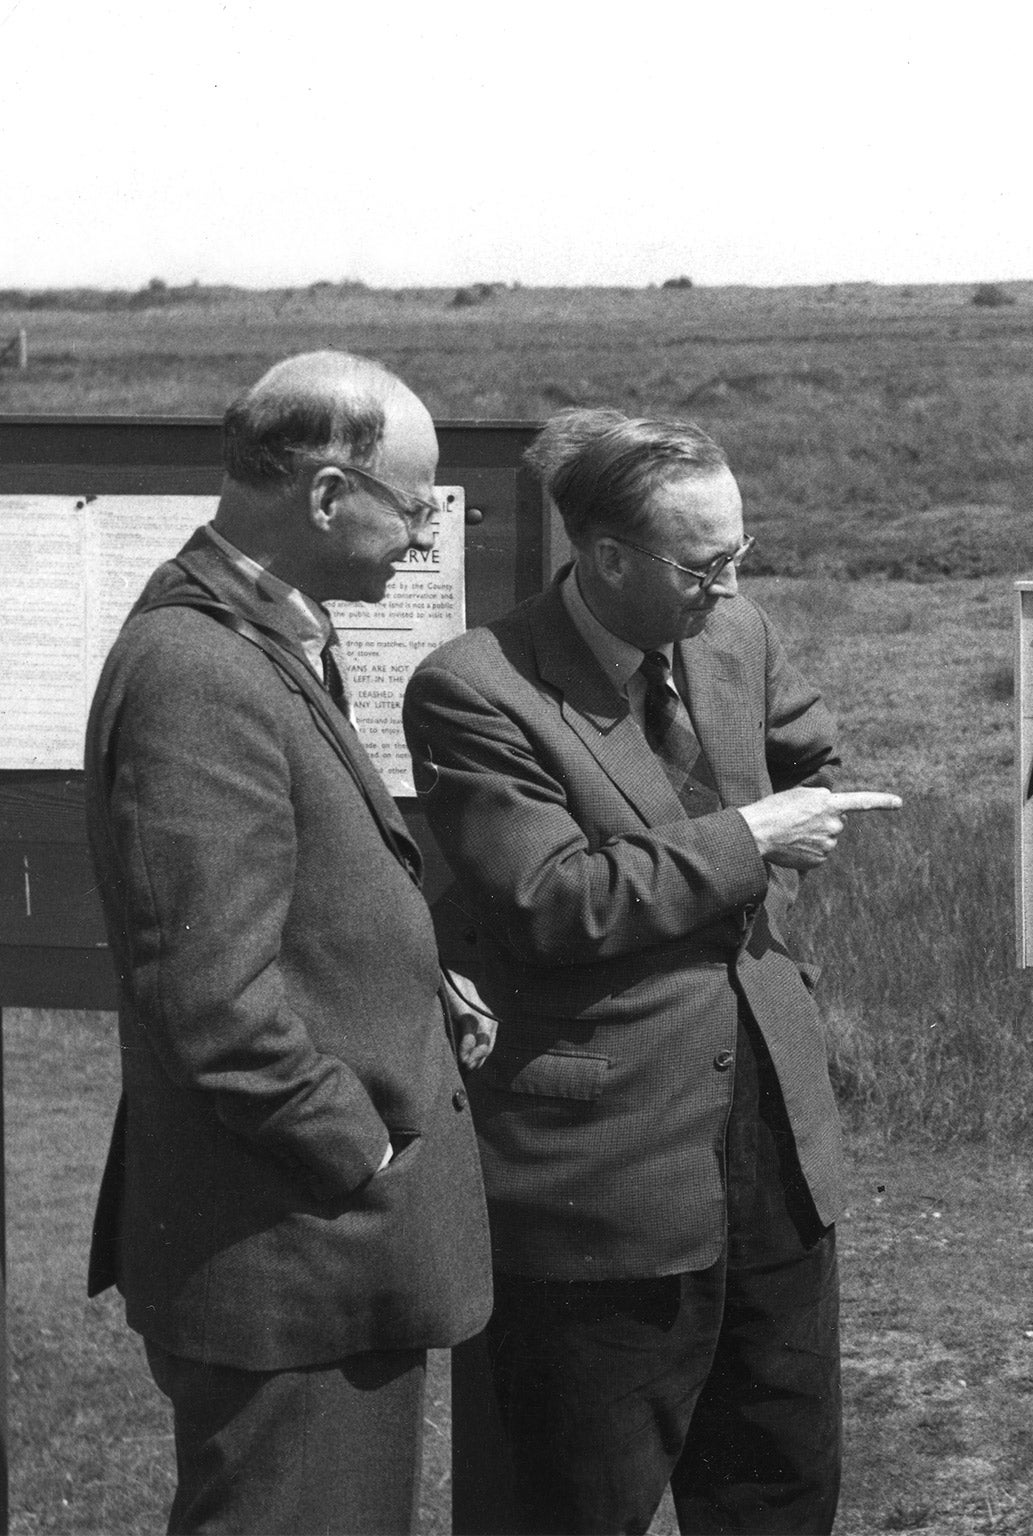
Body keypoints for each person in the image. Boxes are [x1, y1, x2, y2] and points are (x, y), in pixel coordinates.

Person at [402, 409, 900, 1534]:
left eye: (740, 555)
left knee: (777, 1483)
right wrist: (749, 840)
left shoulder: (735, 636)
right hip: (600, 1173)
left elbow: (810, 754)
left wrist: (806, 811)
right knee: (578, 1500)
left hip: (773, 1149)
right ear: (607, 556)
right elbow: (550, 900)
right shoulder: (474, 689)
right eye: (703, 563)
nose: (727, 586)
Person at [83, 351, 494, 1533]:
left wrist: (415, 981)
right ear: (324, 498)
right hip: (296, 1254)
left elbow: (293, 897)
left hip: (309, 1256)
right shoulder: (202, 670)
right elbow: (208, 997)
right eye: (412, 505)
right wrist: (360, 1151)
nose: (421, 537)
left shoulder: (255, 634)